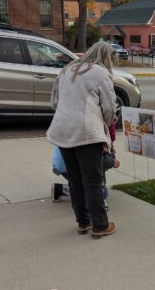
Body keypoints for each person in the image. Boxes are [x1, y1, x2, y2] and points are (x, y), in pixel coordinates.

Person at [47, 42, 117, 239]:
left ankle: (83, 222)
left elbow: (54, 101)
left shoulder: (67, 69)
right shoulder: (100, 73)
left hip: (62, 130)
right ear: (107, 58)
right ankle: (101, 225)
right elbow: (110, 107)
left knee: (76, 180)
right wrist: (106, 125)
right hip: (87, 133)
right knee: (93, 181)